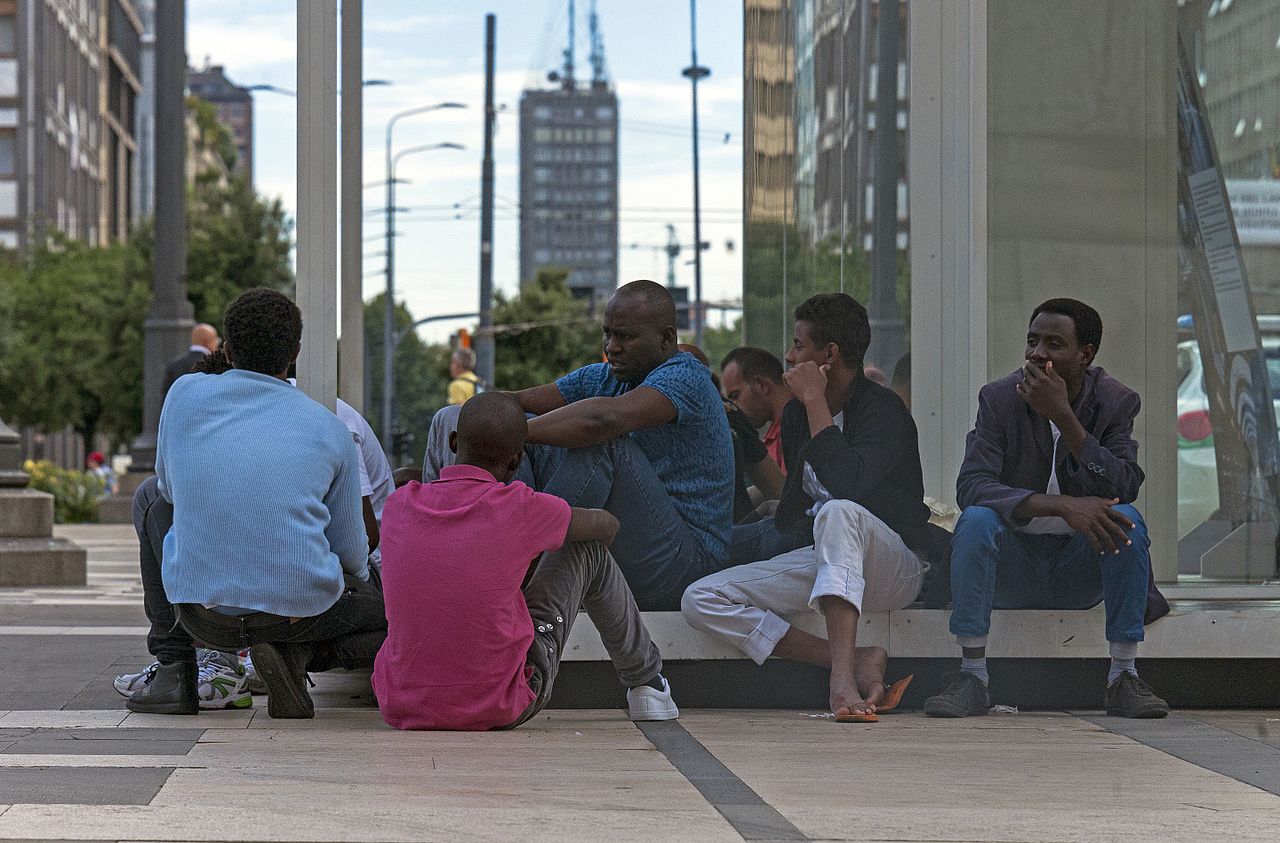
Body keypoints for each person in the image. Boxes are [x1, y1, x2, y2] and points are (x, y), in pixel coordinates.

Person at [123, 288, 387, 719]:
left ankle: (175, 670)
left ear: (225, 347)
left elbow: (168, 491)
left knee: (148, 497)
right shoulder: (330, 427)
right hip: (300, 614)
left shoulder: (184, 394)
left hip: (202, 616)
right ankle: (298, 657)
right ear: (296, 352)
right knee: (401, 617)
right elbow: (353, 555)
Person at [682, 293, 929, 721]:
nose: (789, 356)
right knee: (701, 597)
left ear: (828, 355)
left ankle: (841, 683)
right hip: (829, 561)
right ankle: (853, 660)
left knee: (839, 512)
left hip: (893, 566)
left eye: (798, 345)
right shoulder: (797, 414)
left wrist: (816, 401)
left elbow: (845, 486)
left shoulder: (883, 411)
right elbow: (797, 509)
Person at [924, 299, 1169, 719]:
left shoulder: (1114, 401)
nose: (1037, 353)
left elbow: (1124, 484)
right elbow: (972, 486)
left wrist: (1065, 418)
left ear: (1085, 354)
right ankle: (972, 675)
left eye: (1054, 344)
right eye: (1032, 341)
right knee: (976, 519)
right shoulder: (1000, 399)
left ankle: (1124, 676)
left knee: (1129, 520)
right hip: (1012, 568)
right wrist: (1064, 506)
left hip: (1079, 570)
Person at [374, 392, 676, 730]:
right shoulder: (521, 507)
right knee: (587, 547)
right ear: (517, 461)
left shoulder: (399, 505)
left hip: (402, 705)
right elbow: (605, 524)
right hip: (498, 704)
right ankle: (647, 683)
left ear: (454, 442)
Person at [720, 347, 792, 472]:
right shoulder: (780, 435)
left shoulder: (793, 431)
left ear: (761, 385)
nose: (733, 407)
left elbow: (786, 490)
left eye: (735, 396)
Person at [162, 323, 219, 400]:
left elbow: (165, 399)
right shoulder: (215, 365)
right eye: (216, 340)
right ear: (208, 342)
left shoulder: (174, 365)